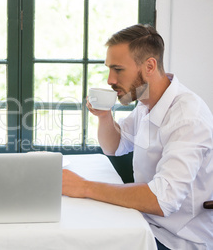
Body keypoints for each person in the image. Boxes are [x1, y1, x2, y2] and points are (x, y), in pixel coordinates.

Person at [62, 24, 213, 249]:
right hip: (145, 222)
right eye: (109, 69)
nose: (110, 80)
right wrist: (105, 117)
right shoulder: (146, 100)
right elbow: (116, 146)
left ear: (149, 66)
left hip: (177, 240)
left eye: (118, 69)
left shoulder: (187, 117)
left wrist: (84, 187)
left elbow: (163, 200)